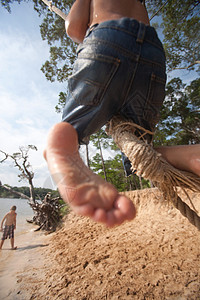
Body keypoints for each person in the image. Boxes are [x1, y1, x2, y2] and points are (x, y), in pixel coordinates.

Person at [44, 0, 200, 228]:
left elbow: (74, 28)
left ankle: (65, 145)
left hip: (107, 38)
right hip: (152, 55)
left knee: (73, 129)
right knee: (140, 156)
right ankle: (192, 155)